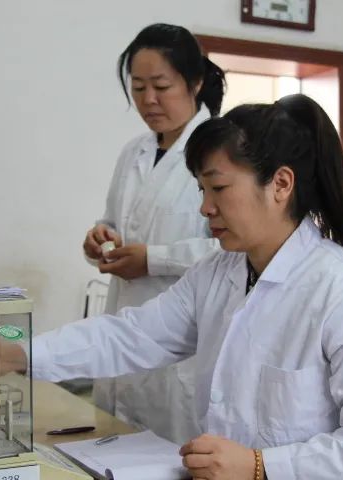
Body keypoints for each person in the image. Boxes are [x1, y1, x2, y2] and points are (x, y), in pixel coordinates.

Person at [0, 94, 343, 479]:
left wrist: (260, 466)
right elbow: (131, 335)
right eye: (201, 190)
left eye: (218, 188)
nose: (205, 208)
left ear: (280, 184)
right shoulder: (219, 274)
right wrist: (18, 352)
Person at [80, 23, 225, 443]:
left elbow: (231, 251)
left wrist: (153, 259)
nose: (148, 100)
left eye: (161, 86)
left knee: (172, 458)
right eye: (139, 87)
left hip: (180, 358)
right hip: (123, 341)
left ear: (195, 83)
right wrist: (99, 239)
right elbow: (114, 222)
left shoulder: (223, 151)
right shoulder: (134, 153)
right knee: (112, 451)